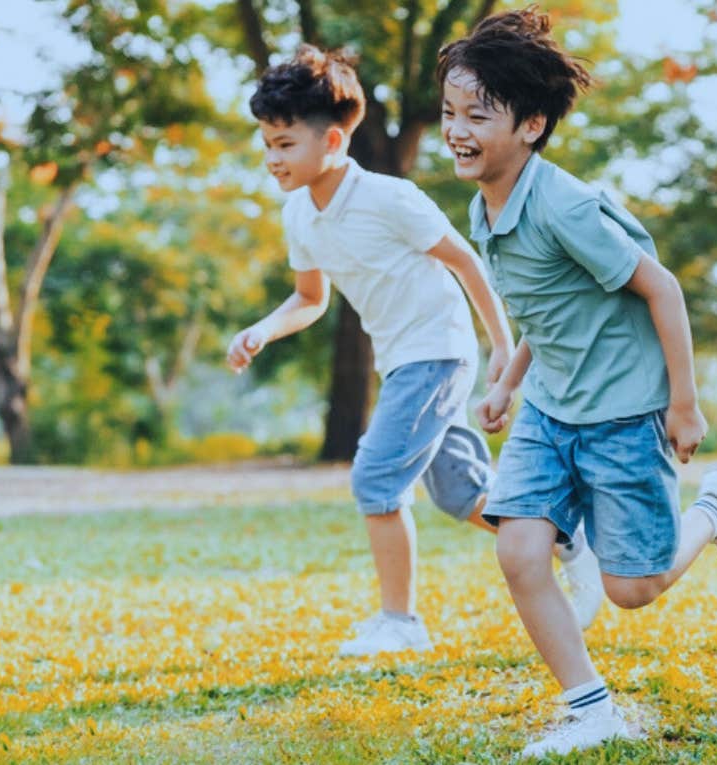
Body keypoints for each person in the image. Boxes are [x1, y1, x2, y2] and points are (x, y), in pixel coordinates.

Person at [436, 8, 717, 757]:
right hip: (553, 407)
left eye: (477, 115)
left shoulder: (567, 207)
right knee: (519, 549)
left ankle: (716, 507)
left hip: (626, 411)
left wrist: (684, 404)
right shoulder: (483, 204)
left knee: (633, 588)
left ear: (532, 124)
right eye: (451, 112)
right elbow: (546, 309)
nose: (457, 130)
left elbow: (664, 291)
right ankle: (590, 707)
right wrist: (508, 380)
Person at [225, 44, 603, 658]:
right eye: (267, 143)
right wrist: (264, 330)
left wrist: (503, 353)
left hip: (438, 351)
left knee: (375, 477)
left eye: (285, 143)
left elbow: (468, 264)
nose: (272, 158)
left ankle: (400, 621)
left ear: (334, 141)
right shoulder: (300, 214)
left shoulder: (390, 199)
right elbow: (309, 297)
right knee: (462, 494)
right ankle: (567, 540)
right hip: (401, 358)